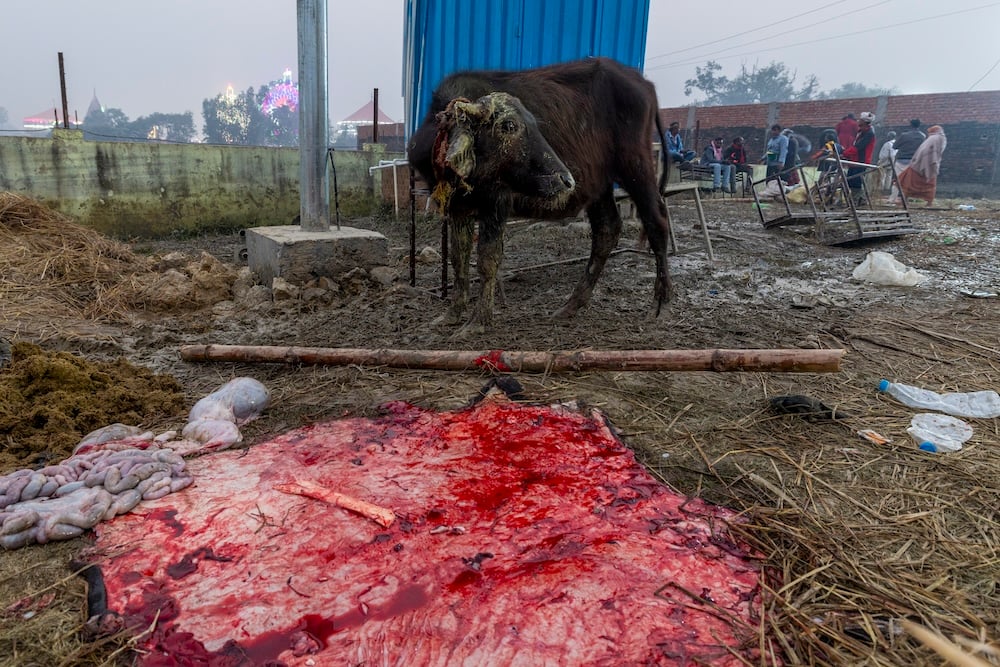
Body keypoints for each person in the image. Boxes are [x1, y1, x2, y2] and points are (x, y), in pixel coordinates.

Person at [897, 125, 946, 206]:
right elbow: (935, 153)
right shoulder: (939, 138)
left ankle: (905, 199)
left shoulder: (934, 138)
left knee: (909, 182)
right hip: (928, 165)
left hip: (918, 163)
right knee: (928, 184)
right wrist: (934, 164)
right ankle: (929, 202)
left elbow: (932, 151)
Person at [841, 111, 876, 201]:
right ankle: (855, 199)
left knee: (856, 181)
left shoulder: (869, 134)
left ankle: (858, 199)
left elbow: (858, 147)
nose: (858, 121)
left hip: (861, 160)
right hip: (854, 160)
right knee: (850, 180)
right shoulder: (860, 132)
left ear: (864, 122)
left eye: (860, 120)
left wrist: (844, 153)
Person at [890, 119, 926, 201]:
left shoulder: (904, 135)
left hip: (901, 160)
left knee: (897, 180)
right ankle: (905, 199)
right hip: (914, 161)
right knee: (908, 181)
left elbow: (894, 146)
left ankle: (893, 198)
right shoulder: (922, 136)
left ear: (910, 125)